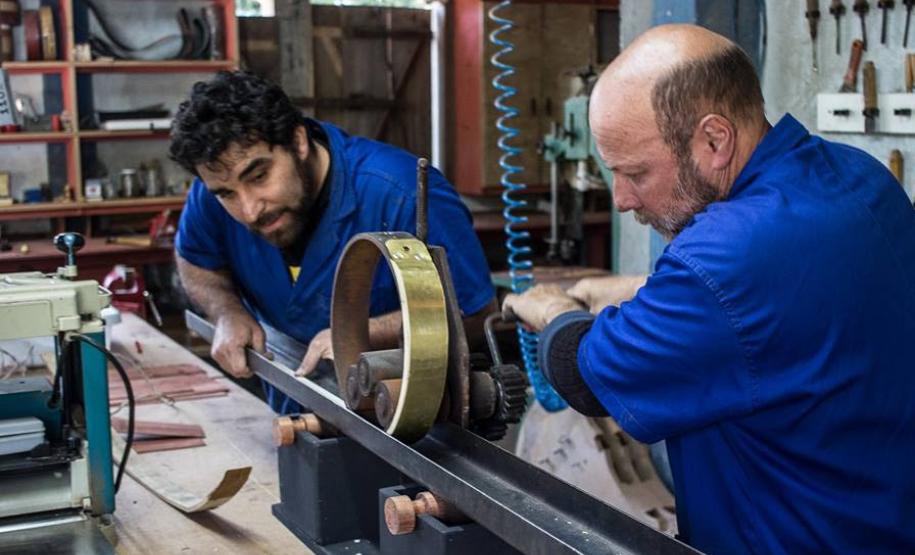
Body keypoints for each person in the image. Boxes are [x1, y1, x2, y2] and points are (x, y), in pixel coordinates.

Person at [503, 24, 915, 554]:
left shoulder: (720, 260)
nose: (623, 200)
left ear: (715, 140)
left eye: (635, 173)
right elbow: (786, 308)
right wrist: (644, 290)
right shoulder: (862, 176)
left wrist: (552, 307)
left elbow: (588, 374)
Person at [170, 71, 496, 414]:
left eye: (260, 176)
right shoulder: (217, 191)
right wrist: (227, 312)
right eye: (227, 194)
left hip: (407, 422)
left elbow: (474, 313)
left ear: (298, 141)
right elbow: (195, 261)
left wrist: (358, 334)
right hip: (292, 410)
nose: (249, 210)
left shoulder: (402, 192)